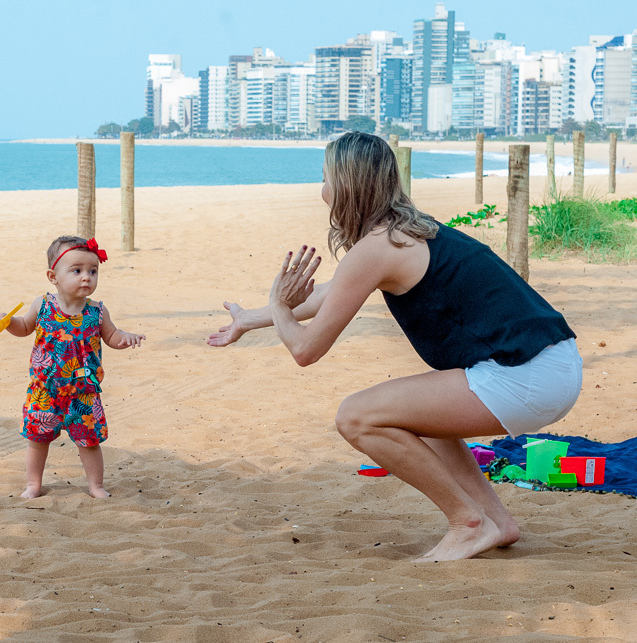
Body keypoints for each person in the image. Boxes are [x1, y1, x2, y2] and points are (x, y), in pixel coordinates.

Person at [208, 132, 583, 562]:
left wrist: (279, 306)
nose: (322, 188)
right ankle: (497, 523)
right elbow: (330, 293)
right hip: (552, 363)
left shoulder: (377, 248)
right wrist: (251, 318)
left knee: (357, 417)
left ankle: (468, 521)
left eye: (326, 176)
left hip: (525, 375)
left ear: (346, 185)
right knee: (417, 415)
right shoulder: (406, 232)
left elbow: (306, 350)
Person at [0, 235, 145, 499]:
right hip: (45, 392)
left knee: (89, 443)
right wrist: (9, 323)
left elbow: (111, 337)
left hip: (84, 393)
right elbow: (25, 327)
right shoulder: (42, 305)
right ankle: (33, 484)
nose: (86, 277)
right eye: (76, 271)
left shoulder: (97, 311)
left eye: (93, 271)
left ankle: (95, 485)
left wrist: (125, 339)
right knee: (38, 440)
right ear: (53, 276)